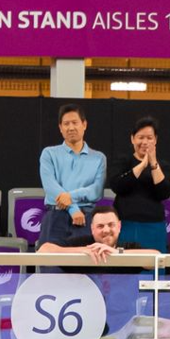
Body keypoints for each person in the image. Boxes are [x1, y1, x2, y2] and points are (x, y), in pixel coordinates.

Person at [37, 103, 107, 249]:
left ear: (84, 124)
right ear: (60, 128)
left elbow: (96, 191)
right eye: (66, 124)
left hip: (86, 218)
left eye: (75, 123)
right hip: (55, 216)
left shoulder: (99, 158)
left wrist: (70, 197)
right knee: (50, 266)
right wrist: (73, 209)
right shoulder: (49, 153)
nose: (71, 128)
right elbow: (50, 187)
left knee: (85, 267)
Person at [108, 116, 170, 253]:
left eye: (149, 138)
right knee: (125, 269)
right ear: (132, 139)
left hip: (154, 226)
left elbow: (164, 192)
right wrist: (142, 164)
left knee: (154, 269)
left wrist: (153, 163)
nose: (145, 142)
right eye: (140, 137)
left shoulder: (163, 165)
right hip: (125, 225)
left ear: (155, 140)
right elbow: (118, 186)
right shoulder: (122, 161)